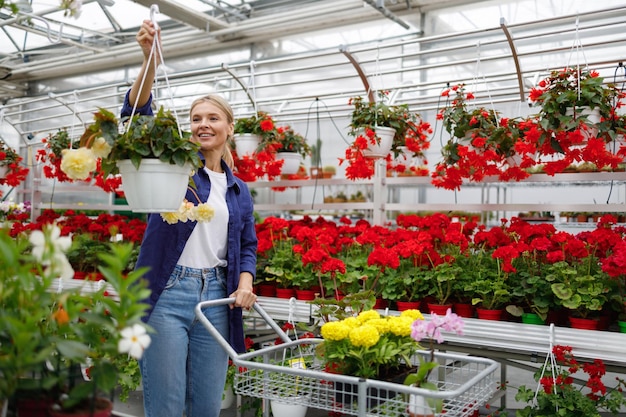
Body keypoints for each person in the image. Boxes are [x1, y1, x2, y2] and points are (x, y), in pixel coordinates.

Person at [122, 19, 258, 417]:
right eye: (196, 118)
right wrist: (148, 60)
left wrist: (245, 280)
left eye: (213, 118)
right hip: (168, 293)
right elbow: (138, 115)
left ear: (229, 129)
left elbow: (247, 244)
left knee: (207, 406)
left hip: (217, 297)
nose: (203, 124)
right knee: (164, 405)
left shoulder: (239, 189)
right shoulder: (174, 166)